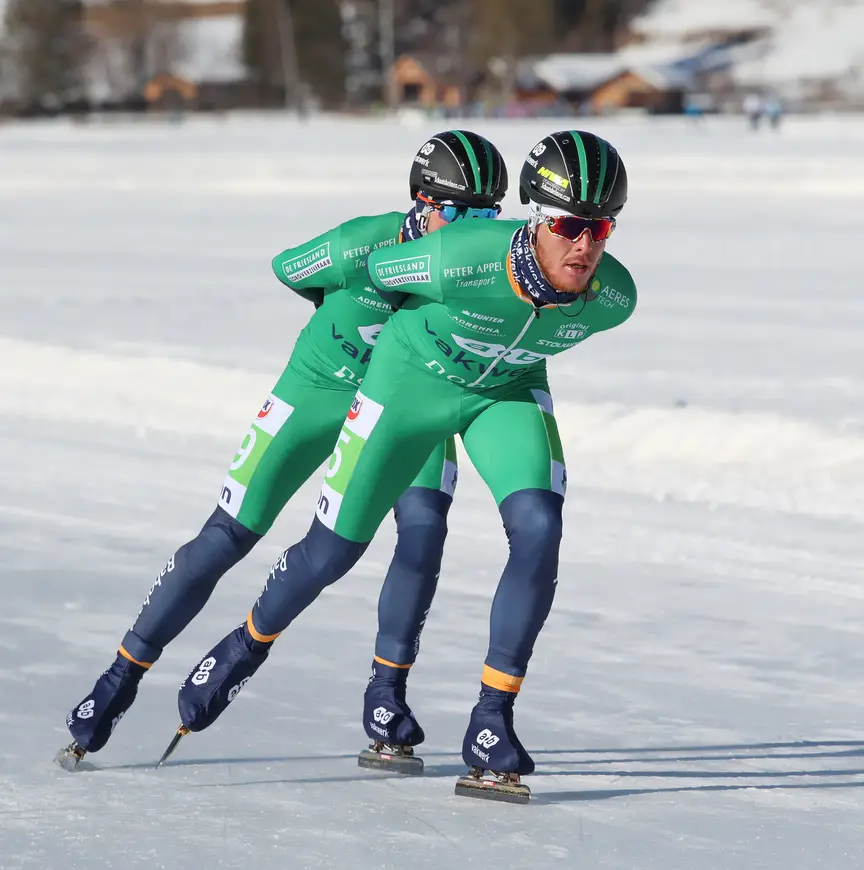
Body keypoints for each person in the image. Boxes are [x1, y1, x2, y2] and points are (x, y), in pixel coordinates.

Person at [168, 130, 637, 803]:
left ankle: (492, 720)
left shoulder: (615, 299)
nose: (585, 246)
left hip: (502, 394)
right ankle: (246, 644)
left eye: (601, 228)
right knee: (332, 551)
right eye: (568, 226)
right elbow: (376, 275)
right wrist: (343, 355)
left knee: (540, 524)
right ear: (535, 220)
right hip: (409, 385)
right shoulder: (456, 257)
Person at [55, 130, 509, 772]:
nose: (473, 229)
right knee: (228, 535)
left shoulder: (475, 268)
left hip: (404, 405)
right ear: (421, 202)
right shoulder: (363, 242)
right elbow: (289, 268)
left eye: (488, 214)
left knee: (424, 529)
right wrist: (336, 317)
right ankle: (118, 679)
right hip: (317, 389)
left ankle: (386, 696)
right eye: (459, 212)